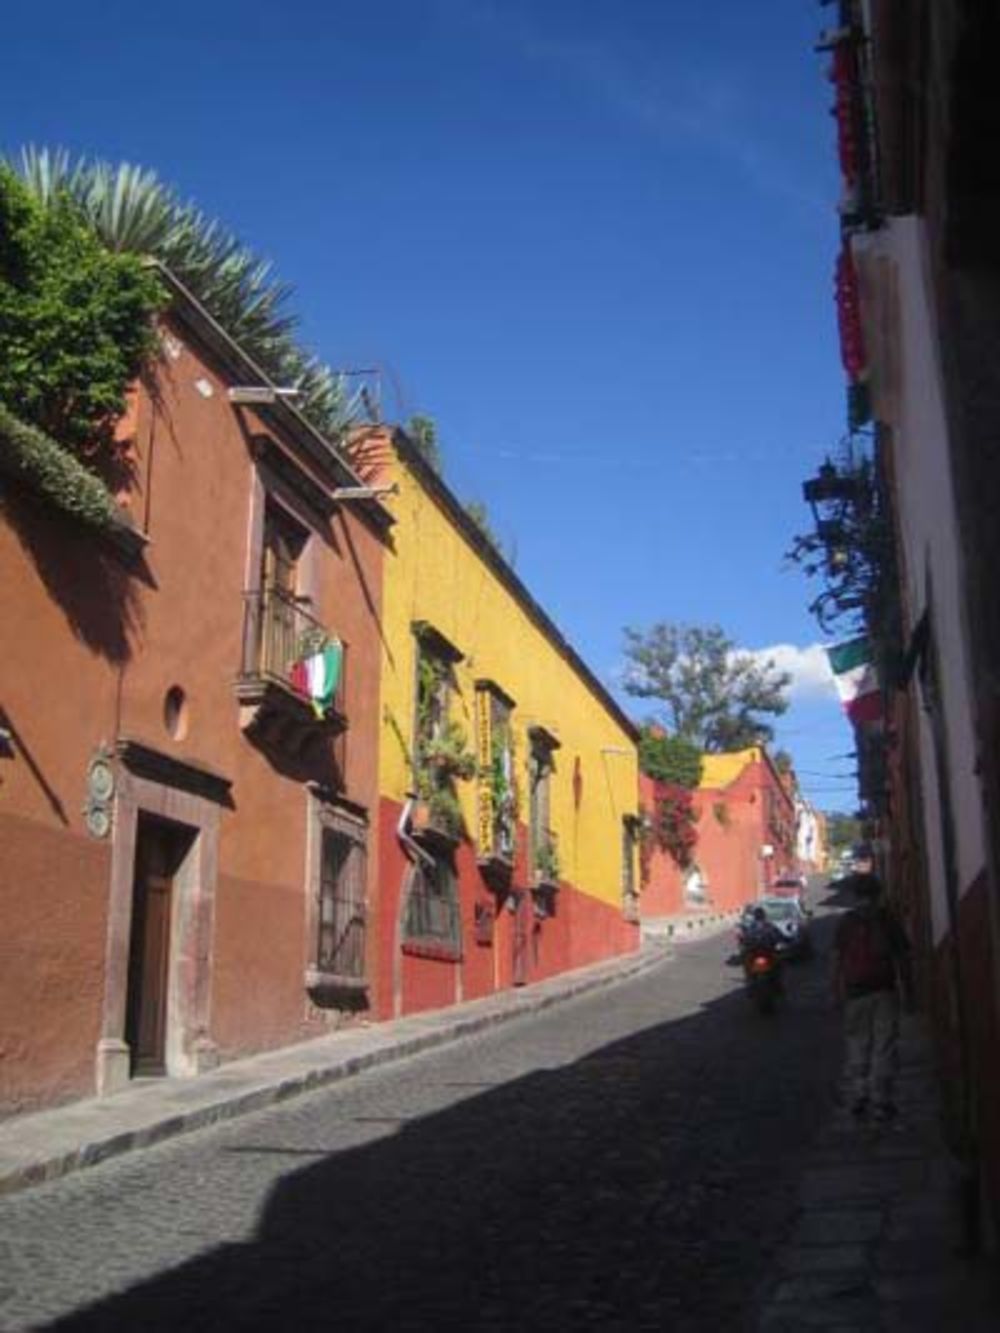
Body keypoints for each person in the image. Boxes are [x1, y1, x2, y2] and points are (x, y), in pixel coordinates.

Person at [832, 871, 914, 1122]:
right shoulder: (886, 919)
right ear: (878, 894)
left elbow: (836, 959)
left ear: (855, 895)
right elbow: (902, 957)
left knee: (858, 1043)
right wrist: (908, 989)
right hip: (884, 989)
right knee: (884, 1045)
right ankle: (881, 1100)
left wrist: (835, 990)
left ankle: (859, 1094)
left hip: (855, 992)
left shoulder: (846, 922)